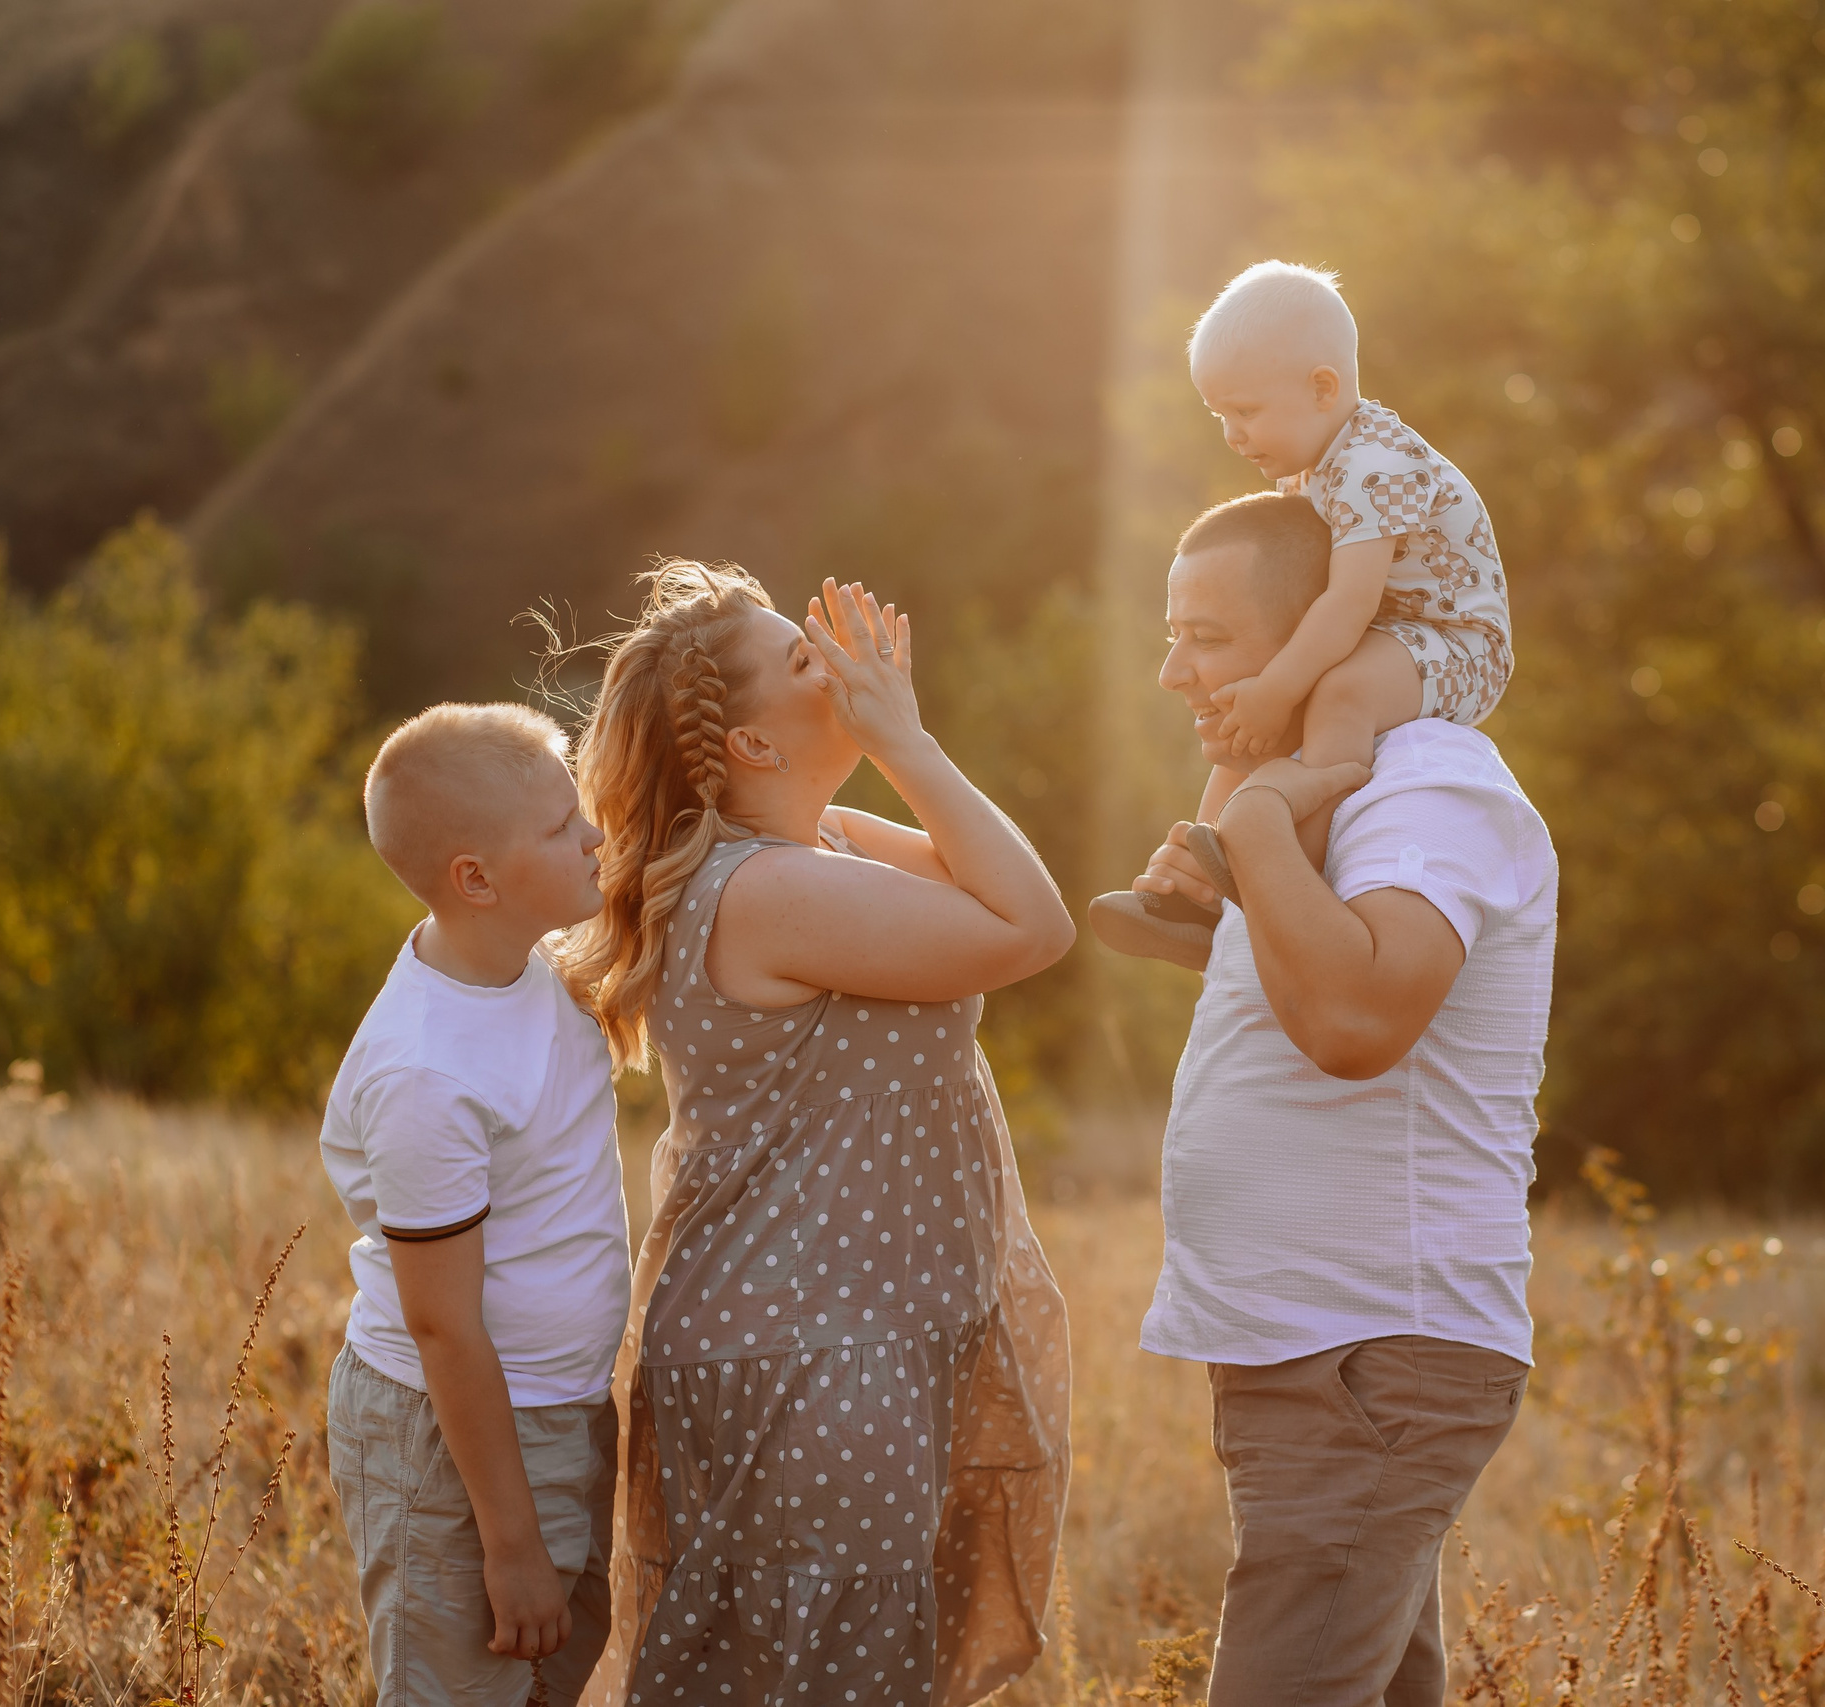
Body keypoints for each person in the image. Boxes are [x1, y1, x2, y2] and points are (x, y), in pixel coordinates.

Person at [557, 563, 1074, 1707]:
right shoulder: (767, 890)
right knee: (824, 1673)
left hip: (837, 1327)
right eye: (805, 658)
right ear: (749, 744)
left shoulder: (820, 843)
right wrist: (906, 742)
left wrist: (898, 748)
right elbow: (1031, 930)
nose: (841, 664)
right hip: (811, 1344)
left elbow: (993, 884)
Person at [1129, 493, 1558, 1706]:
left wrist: (1257, 822)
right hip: (1313, 1348)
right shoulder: (1330, 798)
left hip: (1370, 1353)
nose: (1173, 673)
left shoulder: (1427, 788)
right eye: (1172, 638)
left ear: (1324, 634)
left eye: (1207, 638)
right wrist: (1234, 891)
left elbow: (1359, 1024)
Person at [320, 702, 631, 1707]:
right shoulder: (427, 1074)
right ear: (476, 880)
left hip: (559, 1408)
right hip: (458, 1445)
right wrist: (511, 1544)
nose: (593, 834)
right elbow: (443, 1326)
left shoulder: (523, 965)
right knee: (462, 1687)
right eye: (561, 825)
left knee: (545, 1679)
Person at [1092, 260, 1513, 968]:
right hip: (1389, 635)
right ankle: (1196, 891)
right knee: (1250, 713)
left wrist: (1278, 688)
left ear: (1323, 388)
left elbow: (1347, 603)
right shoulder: (1315, 468)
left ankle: (1295, 870)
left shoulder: (1374, 464)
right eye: (1221, 417)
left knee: (1335, 691)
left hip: (1457, 643)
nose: (1233, 434)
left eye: (1246, 412)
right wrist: (1260, 699)